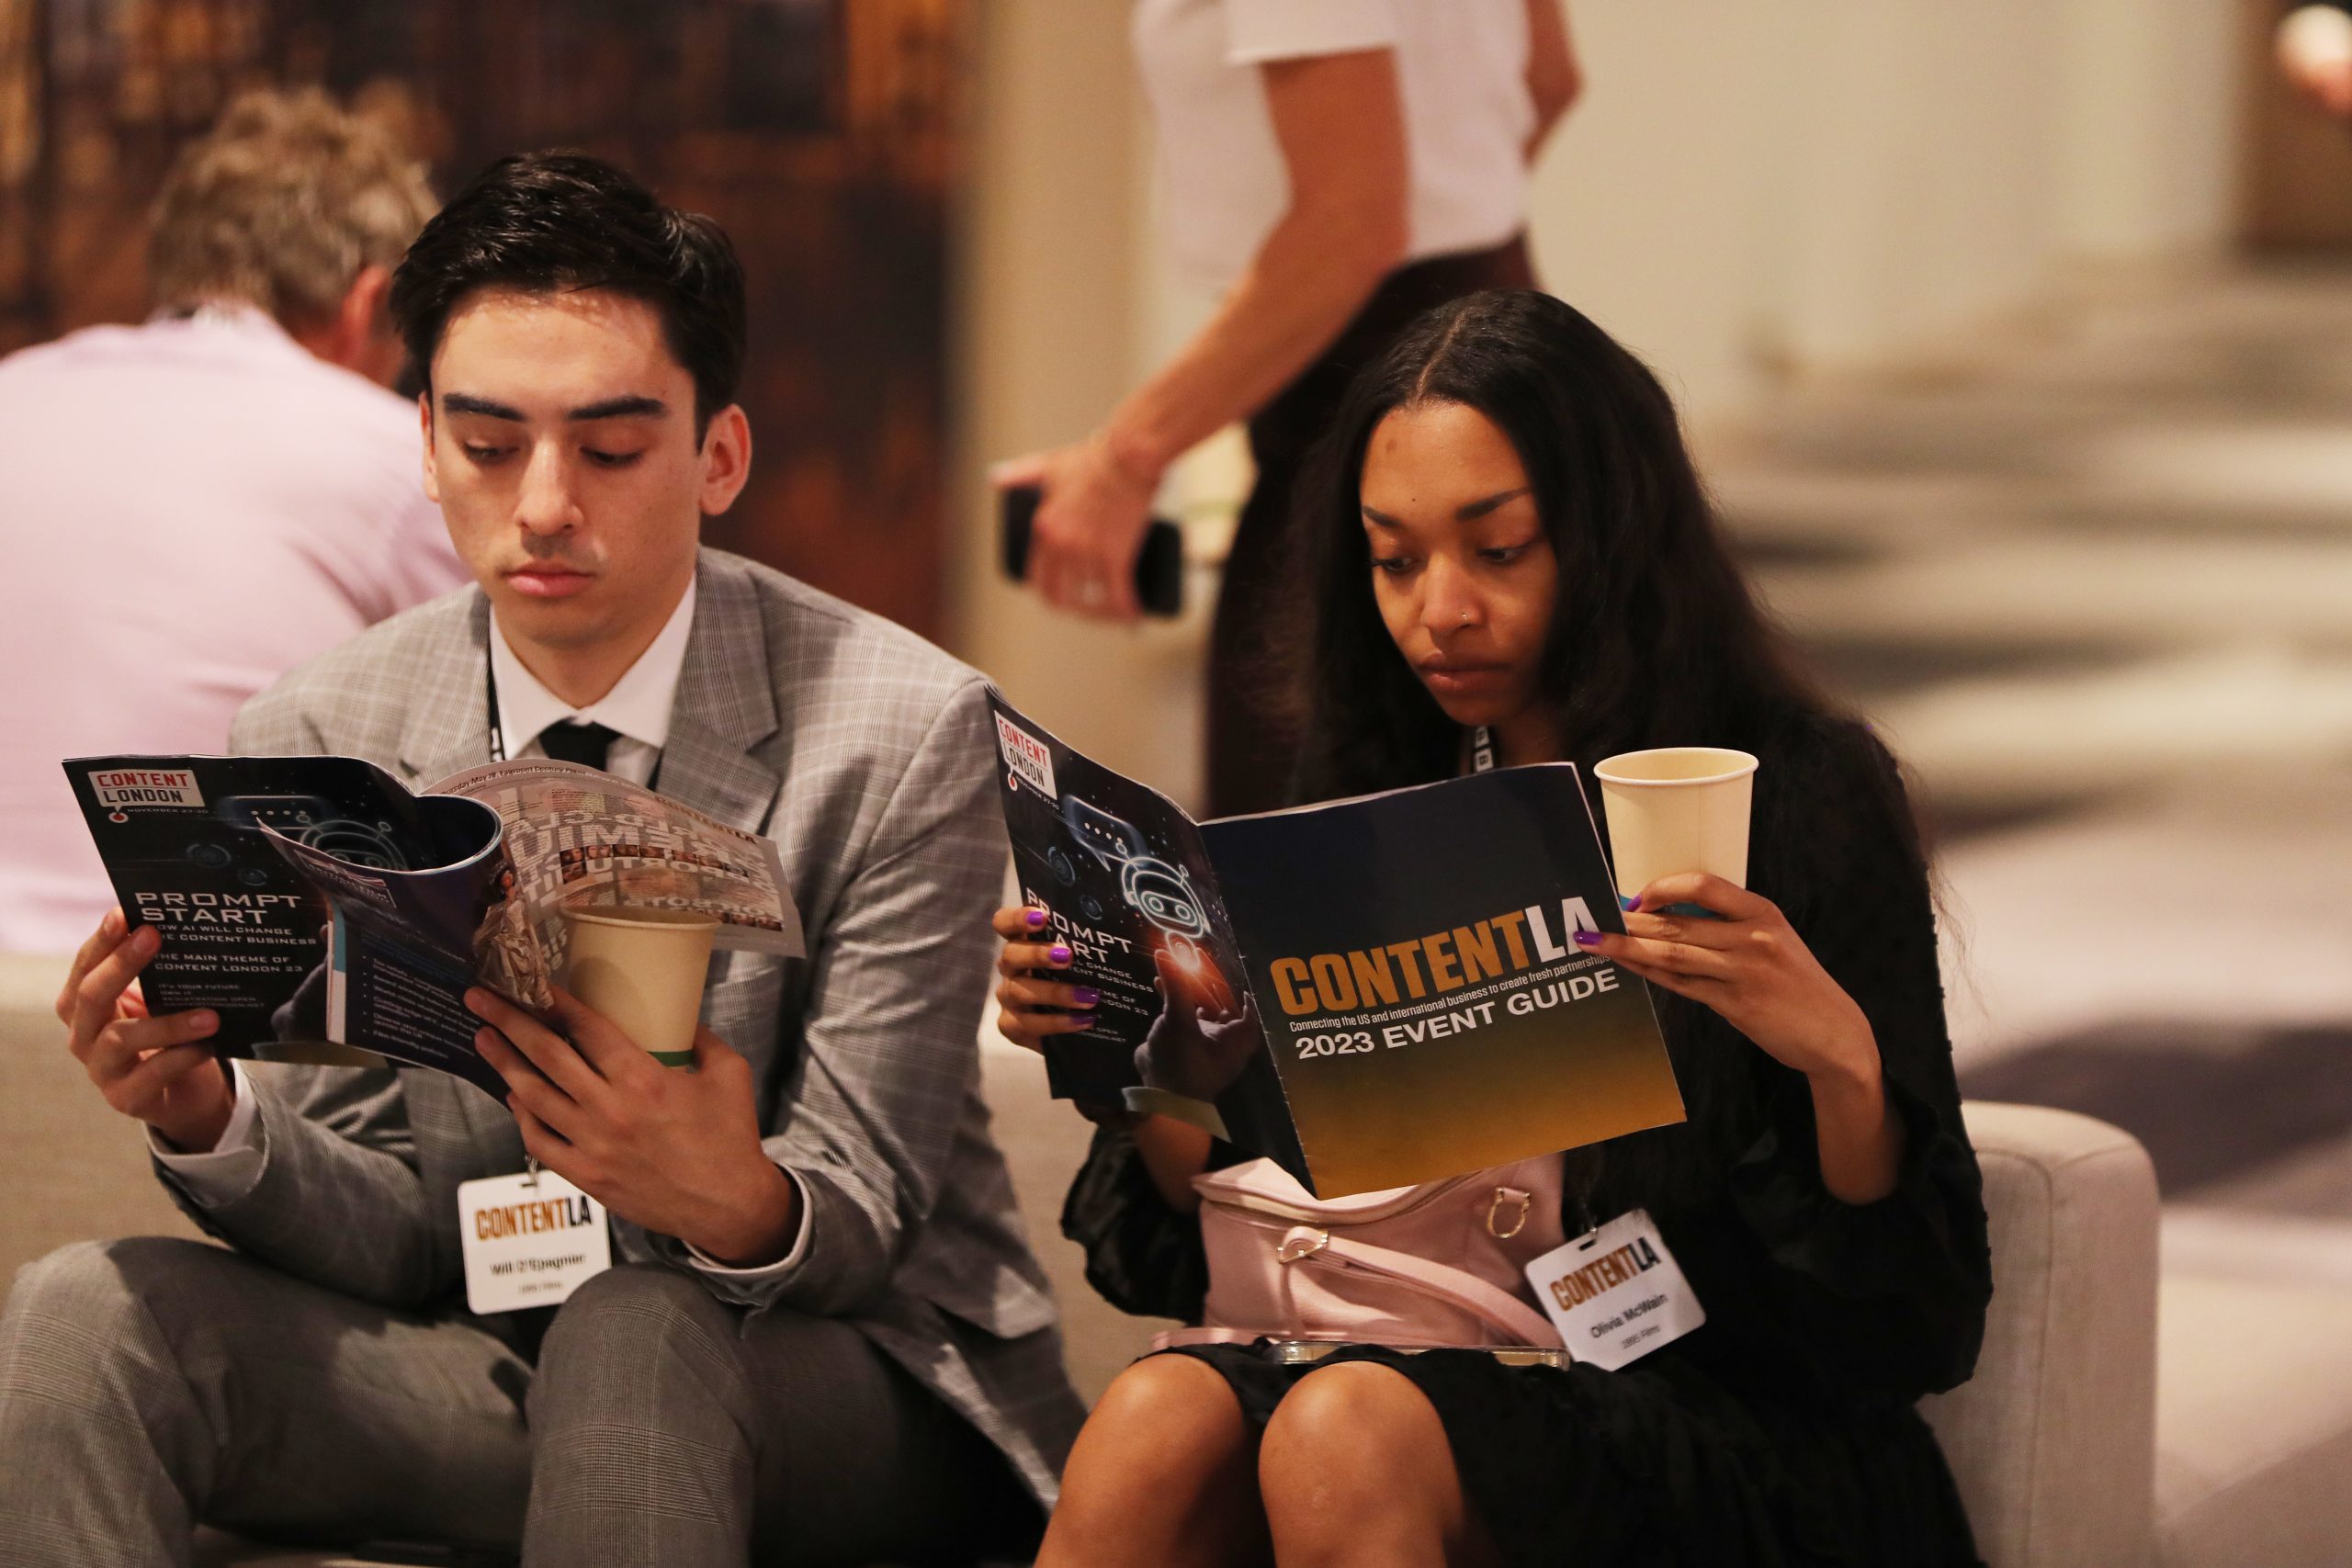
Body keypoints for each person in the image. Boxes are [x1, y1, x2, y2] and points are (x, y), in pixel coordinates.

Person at [0, 151, 1080, 1567]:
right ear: (426, 446)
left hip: (846, 1371)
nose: (547, 504)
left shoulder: (900, 727)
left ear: (719, 456)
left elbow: (868, 1210)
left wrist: (725, 1189)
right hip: (501, 1358)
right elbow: (400, 1229)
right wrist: (213, 1114)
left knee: (634, 1330)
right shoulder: (321, 729)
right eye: (491, 445)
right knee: (85, 1308)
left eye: (611, 450)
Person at [990, 290, 1994, 1566]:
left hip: (1726, 1416)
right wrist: (1142, 1049)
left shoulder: (1791, 787)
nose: (1442, 610)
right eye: (1395, 560)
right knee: (1156, 1417)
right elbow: (1190, 1250)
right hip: (1424, 1349)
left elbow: (1912, 1326)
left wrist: (1837, 1058)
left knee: (1346, 1425)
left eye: (1500, 549)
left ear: (1611, 536)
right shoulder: (1375, 773)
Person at [998, 0, 1581, 817]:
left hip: (1375, 401)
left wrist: (1122, 458)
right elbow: (1550, 78)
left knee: (1296, 855)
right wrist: (1455, 205)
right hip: (1492, 346)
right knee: (1490, 826)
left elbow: (1349, 221)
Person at [0, 86, 468, 953]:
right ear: (366, 302)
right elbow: (490, 741)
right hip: (192, 990)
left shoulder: (11, 392)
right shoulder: (392, 454)